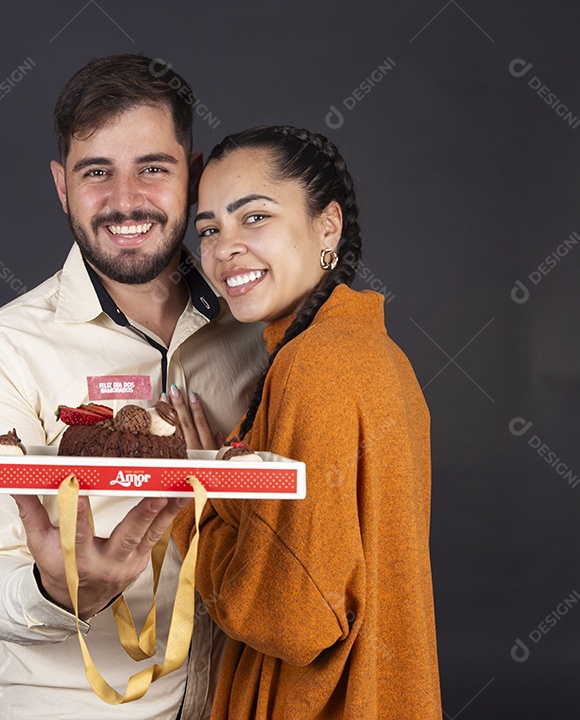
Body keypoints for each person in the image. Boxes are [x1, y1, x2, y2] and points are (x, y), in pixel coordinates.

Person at [0, 54, 268, 719]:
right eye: (97, 173)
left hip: (243, 701)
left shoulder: (259, 331)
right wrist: (58, 593)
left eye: (153, 167)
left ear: (194, 174)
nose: (125, 201)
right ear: (62, 186)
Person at [171, 126, 442, 718]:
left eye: (255, 218)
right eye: (210, 228)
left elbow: (292, 619)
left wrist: (195, 506)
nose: (223, 249)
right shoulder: (376, 354)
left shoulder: (314, 366)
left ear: (328, 227)